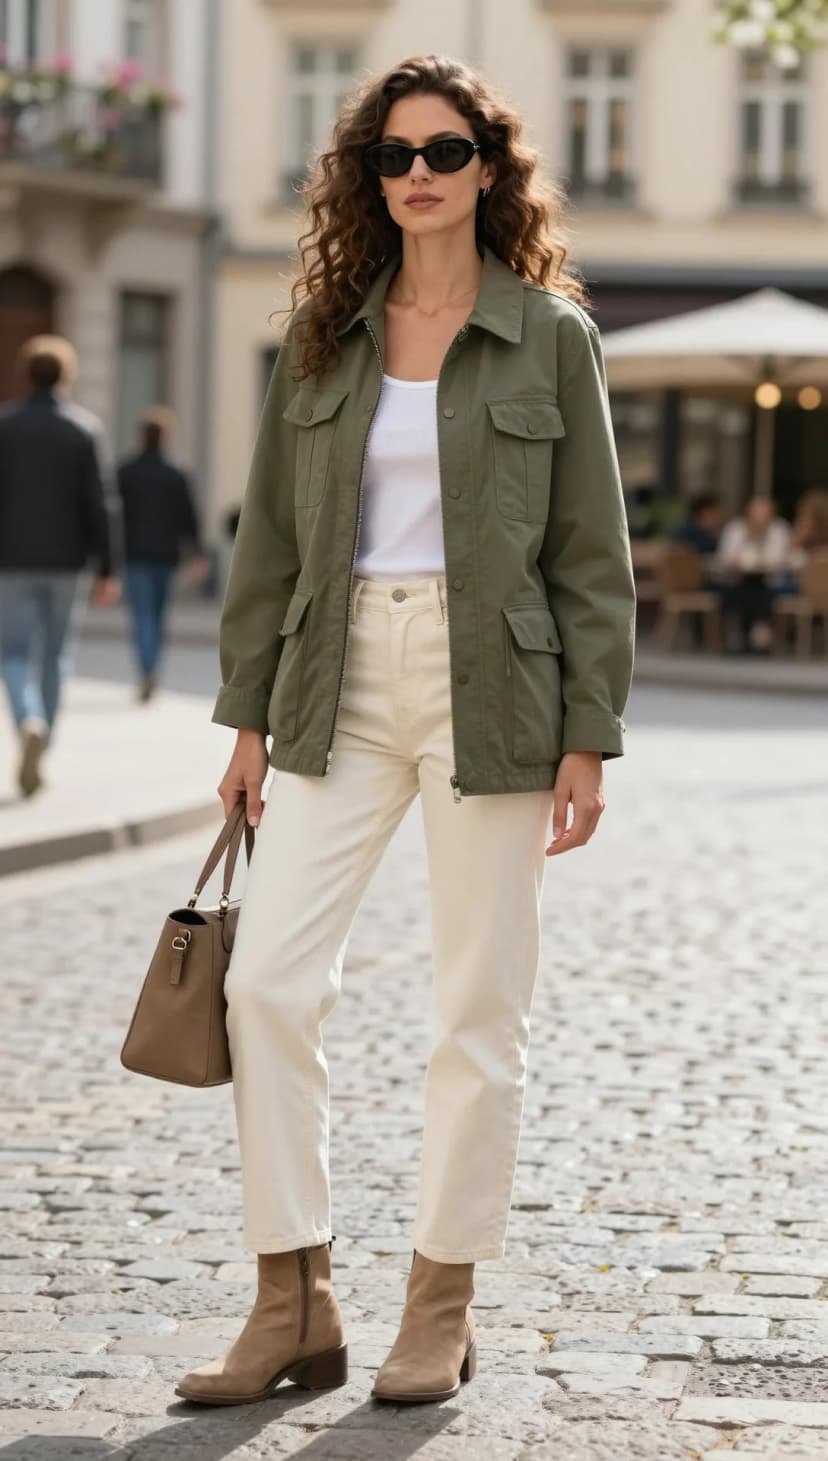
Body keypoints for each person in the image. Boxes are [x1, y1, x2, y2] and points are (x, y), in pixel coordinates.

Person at [174, 54, 635, 1410]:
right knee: (264, 988)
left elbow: (590, 552)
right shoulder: (326, 332)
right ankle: (294, 1296)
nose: (418, 176)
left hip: (497, 682)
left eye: (444, 152)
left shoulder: (550, 334)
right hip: (333, 676)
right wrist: (248, 712)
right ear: (366, 178)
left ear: (488, 169)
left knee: (477, 1005)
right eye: (393, 156)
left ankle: (440, 1299)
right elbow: (266, 540)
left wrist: (589, 732)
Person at [0, 336, 119, 797]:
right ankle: (43, 740)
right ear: (66, 376)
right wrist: (108, 568)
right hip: (69, 564)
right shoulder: (83, 429)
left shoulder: (4, 427)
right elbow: (102, 504)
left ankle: (27, 719)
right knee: (55, 655)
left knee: (12, 653)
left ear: (26, 373)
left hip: (10, 562)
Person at [117, 407, 209, 701]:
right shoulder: (176, 473)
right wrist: (196, 553)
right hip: (166, 554)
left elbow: (114, 516)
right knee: (157, 615)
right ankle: (153, 666)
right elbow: (189, 516)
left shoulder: (126, 471)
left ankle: (147, 670)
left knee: (141, 614)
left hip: (134, 553)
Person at [716, 495, 793, 653]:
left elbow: (781, 558)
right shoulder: (736, 528)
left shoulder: (779, 529)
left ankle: (750, 634)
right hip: (736, 580)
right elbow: (725, 557)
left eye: (765, 515)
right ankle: (758, 630)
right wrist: (748, 538)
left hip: (771, 582)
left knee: (760, 588)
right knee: (747, 587)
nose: (760, 520)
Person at [671, 492, 723, 558]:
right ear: (704, 513)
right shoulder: (686, 533)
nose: (717, 517)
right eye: (714, 513)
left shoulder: (709, 536)